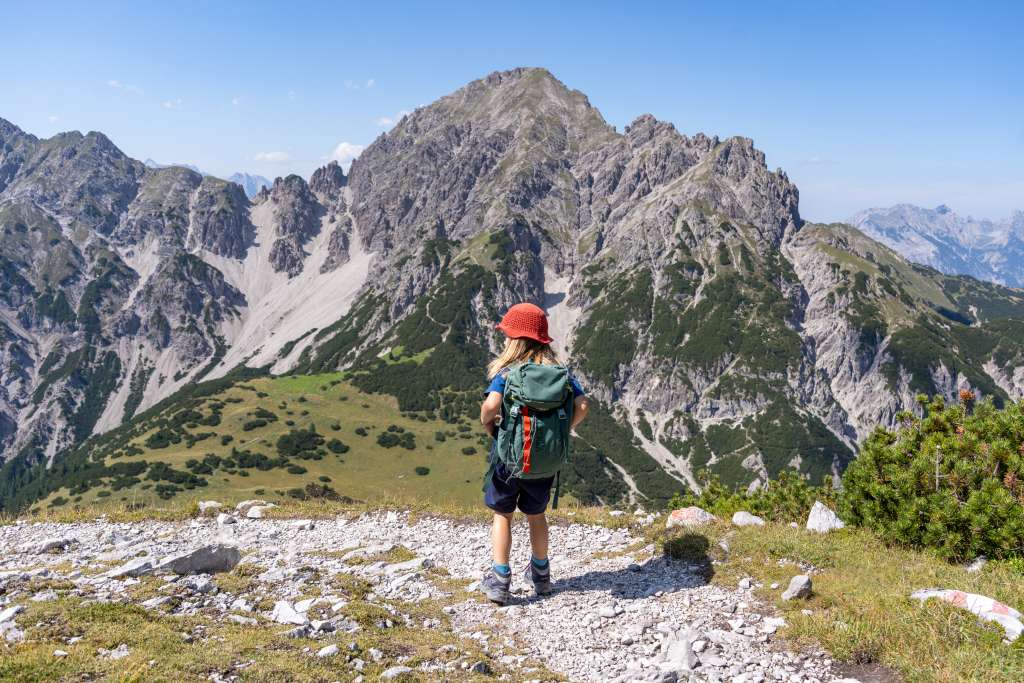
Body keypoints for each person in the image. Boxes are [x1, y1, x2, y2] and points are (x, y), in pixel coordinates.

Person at [478, 302, 589, 604]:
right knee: (536, 515)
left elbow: (490, 406)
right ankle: (541, 575)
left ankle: (500, 579)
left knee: (503, 514)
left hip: (510, 460)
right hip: (545, 461)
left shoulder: (509, 372)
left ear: (515, 339)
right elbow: (582, 406)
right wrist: (562, 430)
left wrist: (488, 423)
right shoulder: (561, 374)